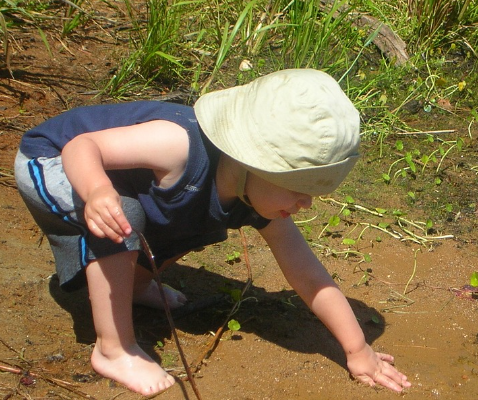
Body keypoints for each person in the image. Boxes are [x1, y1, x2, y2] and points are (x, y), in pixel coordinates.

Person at [14, 69, 411, 395]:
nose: (306, 205)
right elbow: (82, 148)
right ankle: (114, 348)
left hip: (115, 179)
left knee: (189, 219)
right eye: (299, 190)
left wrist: (358, 349)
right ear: (255, 163)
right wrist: (97, 192)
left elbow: (308, 274)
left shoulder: (255, 194)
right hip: (52, 161)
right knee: (127, 212)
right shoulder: (178, 145)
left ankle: (130, 288)